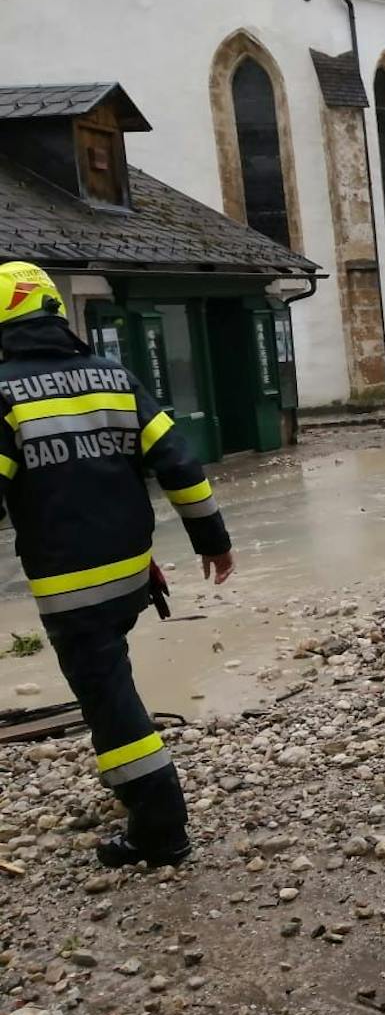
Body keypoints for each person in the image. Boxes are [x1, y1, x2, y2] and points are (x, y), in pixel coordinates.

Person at [0, 262, 233, 869]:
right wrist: (213, 541)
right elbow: (178, 465)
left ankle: (159, 826)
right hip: (132, 572)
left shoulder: (3, 393)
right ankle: (138, 781)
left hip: (67, 584)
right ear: (53, 310)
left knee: (108, 697)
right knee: (113, 676)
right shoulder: (114, 377)